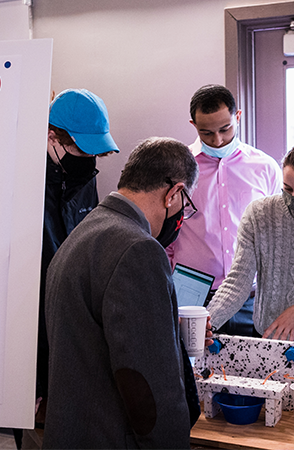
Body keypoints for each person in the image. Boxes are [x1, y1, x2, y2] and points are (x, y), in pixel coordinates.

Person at [43, 137, 206, 449]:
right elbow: (149, 384)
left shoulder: (85, 231)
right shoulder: (138, 250)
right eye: (185, 205)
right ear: (173, 194)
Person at [167, 84, 282, 336]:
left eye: (225, 129)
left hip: (249, 298)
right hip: (191, 297)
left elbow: (275, 235)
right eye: (206, 133)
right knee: (190, 372)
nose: (217, 140)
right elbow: (163, 233)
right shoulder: (178, 169)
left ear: (237, 117)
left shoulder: (265, 168)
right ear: (193, 125)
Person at [35, 89, 120, 429]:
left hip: (76, 334)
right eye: (82, 149)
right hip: (35, 333)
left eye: (96, 151)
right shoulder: (24, 185)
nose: (90, 159)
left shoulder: (83, 178)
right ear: (52, 136)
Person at [207, 139, 294, 345]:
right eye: (287, 189)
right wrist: (206, 324)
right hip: (266, 339)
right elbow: (237, 283)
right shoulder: (260, 214)